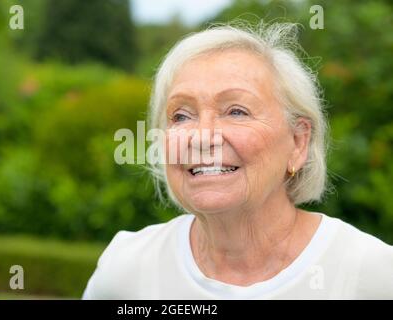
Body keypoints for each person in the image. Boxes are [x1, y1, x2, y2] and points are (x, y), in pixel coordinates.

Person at [82, 22, 393, 299]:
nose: (202, 137)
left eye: (236, 111)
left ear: (298, 142)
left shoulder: (373, 275)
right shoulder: (127, 269)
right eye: (181, 116)